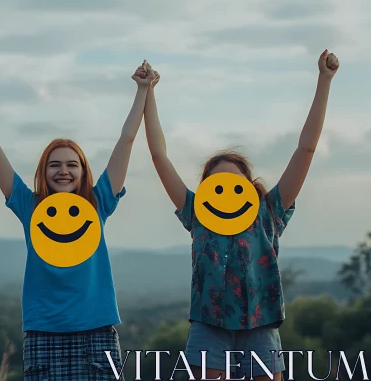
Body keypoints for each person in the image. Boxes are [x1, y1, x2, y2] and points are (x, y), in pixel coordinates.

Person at [143, 50, 340, 380]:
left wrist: (325, 79)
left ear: (249, 187)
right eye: (216, 186)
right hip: (208, 327)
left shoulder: (269, 212)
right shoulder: (198, 213)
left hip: (261, 326)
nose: (226, 194)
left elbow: (306, 149)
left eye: (235, 185)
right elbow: (159, 155)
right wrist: (148, 92)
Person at [0, 58, 157, 380]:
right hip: (44, 334)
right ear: (44, 171)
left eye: (71, 164)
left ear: (83, 171)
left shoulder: (97, 202)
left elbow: (126, 140)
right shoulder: (29, 206)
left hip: (96, 332)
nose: (63, 171)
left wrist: (142, 90)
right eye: (54, 164)